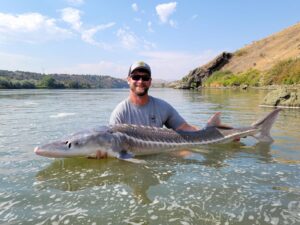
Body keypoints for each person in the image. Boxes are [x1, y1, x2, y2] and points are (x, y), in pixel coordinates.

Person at [109, 61, 198, 131]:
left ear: (150, 81)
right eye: (136, 77)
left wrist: (206, 133)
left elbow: (184, 128)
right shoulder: (119, 114)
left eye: (145, 78)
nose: (140, 81)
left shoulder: (163, 107)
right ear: (128, 80)